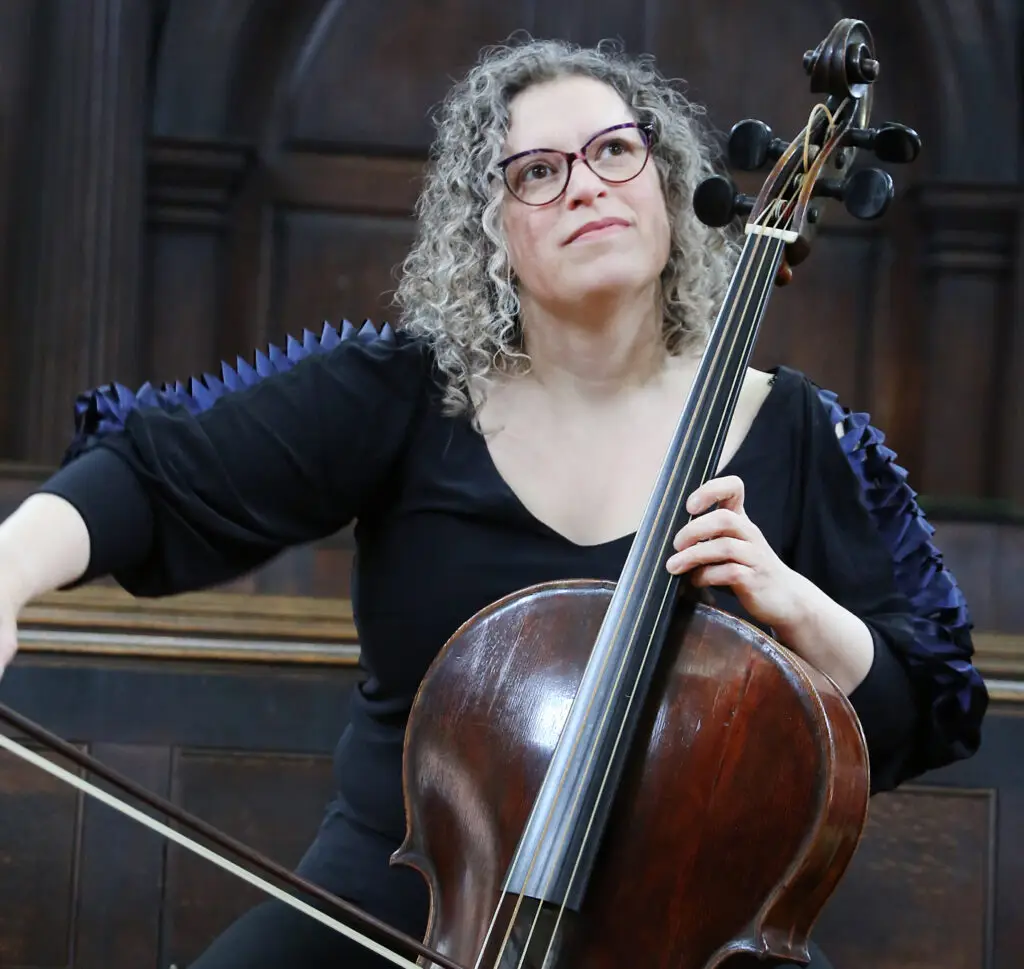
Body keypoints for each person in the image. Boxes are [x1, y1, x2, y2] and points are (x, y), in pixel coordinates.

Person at [0, 37, 986, 969]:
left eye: (613, 151)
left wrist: (793, 604)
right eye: (538, 171)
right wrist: (7, 574)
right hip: (402, 912)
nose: (586, 185)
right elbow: (155, 473)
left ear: (671, 184)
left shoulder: (799, 432)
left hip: (685, 933)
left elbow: (921, 708)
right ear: (490, 231)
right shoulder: (406, 393)